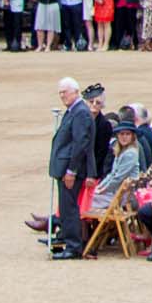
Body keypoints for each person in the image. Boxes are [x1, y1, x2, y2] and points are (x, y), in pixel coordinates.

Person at [48, 76, 95, 260]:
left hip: (71, 169)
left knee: (69, 208)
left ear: (75, 92)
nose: (62, 96)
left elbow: (80, 143)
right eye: (60, 92)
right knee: (66, 207)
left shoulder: (80, 112)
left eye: (65, 92)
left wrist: (71, 170)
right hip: (66, 166)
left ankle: (73, 246)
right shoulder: (73, 110)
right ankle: (68, 241)